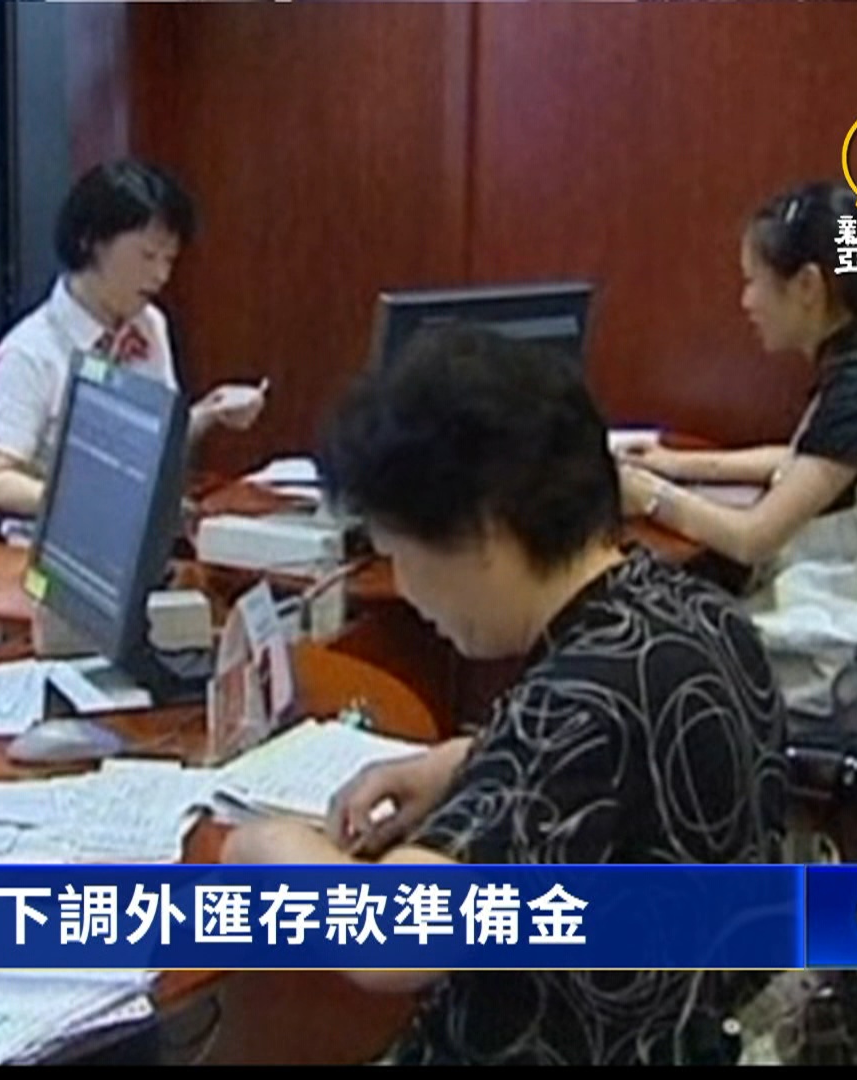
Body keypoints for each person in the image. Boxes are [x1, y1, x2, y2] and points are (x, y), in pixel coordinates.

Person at [222, 326, 788, 1066]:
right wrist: (466, 761)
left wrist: (267, 845)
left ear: (484, 532)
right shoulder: (694, 610)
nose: (405, 589)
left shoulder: (579, 703)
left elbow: (394, 943)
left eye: (397, 555)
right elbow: (618, 771)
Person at [617, 180, 857, 727]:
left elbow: (753, 538)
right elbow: (808, 459)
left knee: (691, 673)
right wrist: (677, 464)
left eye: (753, 281)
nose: (746, 302)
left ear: (808, 285)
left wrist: (647, 496)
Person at [0, 158, 266, 520]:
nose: (161, 275)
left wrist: (208, 413)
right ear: (90, 241)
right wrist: (86, 501)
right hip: (59, 536)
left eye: (169, 259)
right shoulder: (31, 352)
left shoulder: (149, 324)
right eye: (147, 256)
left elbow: (148, 449)